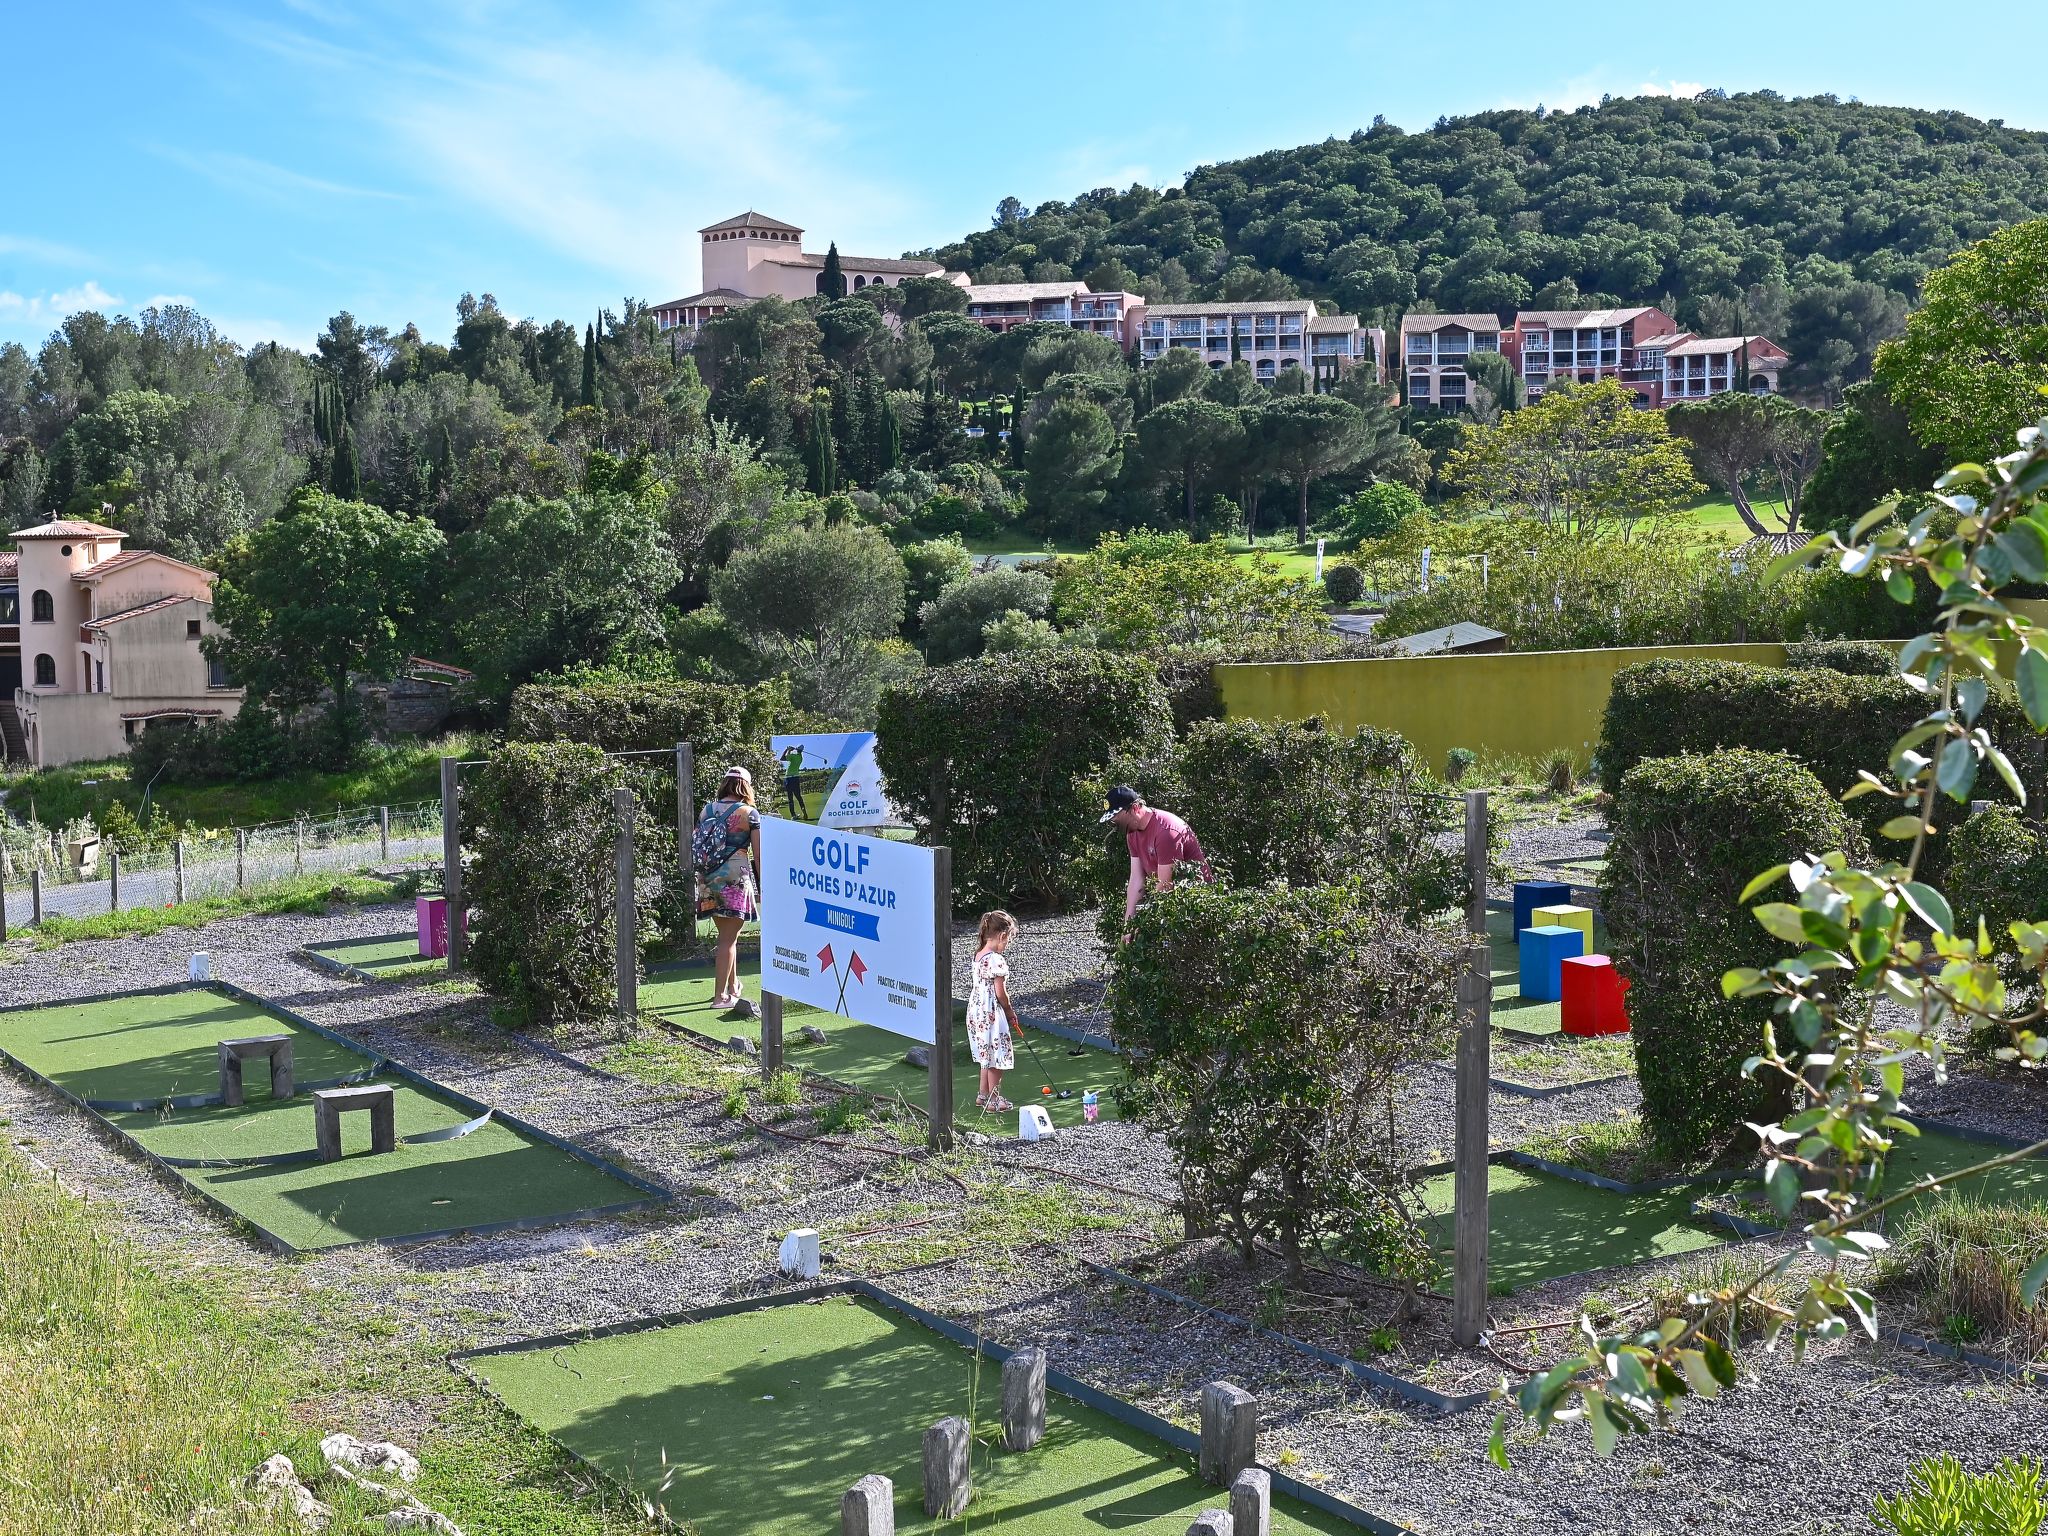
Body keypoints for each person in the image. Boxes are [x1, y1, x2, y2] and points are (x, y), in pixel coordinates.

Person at [695, 766, 762, 1015]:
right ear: (745, 786)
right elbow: (758, 856)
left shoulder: (707, 810)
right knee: (728, 939)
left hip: (708, 875)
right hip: (735, 874)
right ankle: (720, 996)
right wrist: (762, 887)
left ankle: (733, 985)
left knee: (725, 935)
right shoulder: (750, 814)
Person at [1101, 785, 1213, 933]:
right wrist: (1127, 927)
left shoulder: (1166, 832)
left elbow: (1165, 886)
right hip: (1168, 904)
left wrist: (1142, 924)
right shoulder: (1132, 832)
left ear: (1135, 808)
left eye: (1118, 818)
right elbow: (1136, 880)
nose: (1116, 824)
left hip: (1195, 906)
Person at [966, 910, 1021, 1113]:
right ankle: (994, 1100)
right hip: (991, 1012)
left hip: (976, 1011)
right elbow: (1000, 992)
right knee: (996, 1057)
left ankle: (982, 1095)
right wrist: (1009, 1011)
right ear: (1002, 935)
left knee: (985, 1055)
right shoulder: (996, 960)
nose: (1007, 945)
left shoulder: (979, 954)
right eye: (1009, 940)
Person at [779, 742, 810, 820]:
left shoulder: (793, 756)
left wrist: (787, 749)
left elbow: (782, 758)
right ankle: (804, 812)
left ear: (797, 749)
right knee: (799, 797)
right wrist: (791, 750)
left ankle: (793, 815)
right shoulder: (800, 758)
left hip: (789, 779)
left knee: (790, 798)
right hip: (796, 778)